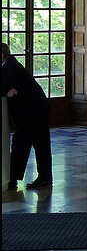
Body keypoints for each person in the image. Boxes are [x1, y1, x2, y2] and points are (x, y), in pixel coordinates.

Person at [2, 42, 53, 190]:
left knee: (40, 146)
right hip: (28, 115)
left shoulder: (11, 67)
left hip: (35, 113)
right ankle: (12, 179)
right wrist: (6, 91)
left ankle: (44, 179)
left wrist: (6, 90)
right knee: (20, 145)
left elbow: (4, 85)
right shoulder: (10, 65)